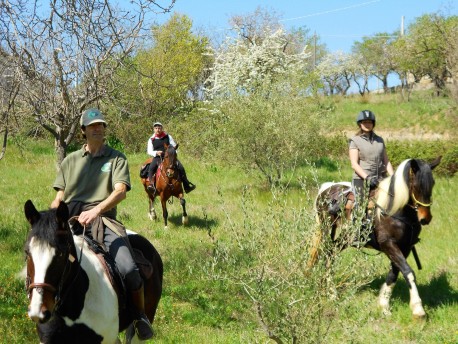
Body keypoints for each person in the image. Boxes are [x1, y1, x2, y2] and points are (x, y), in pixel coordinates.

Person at [50, 108, 153, 340]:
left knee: (128, 268)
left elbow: (120, 191)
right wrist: (49, 218)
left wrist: (95, 211)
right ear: (83, 131)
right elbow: (59, 197)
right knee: (45, 263)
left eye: (101, 125)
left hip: (104, 220)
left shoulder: (116, 157)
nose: (98, 128)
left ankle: (138, 317)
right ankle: (47, 311)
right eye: (93, 125)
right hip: (69, 220)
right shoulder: (70, 160)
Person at [349, 109, 394, 205]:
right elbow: (354, 164)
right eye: (364, 122)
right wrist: (368, 178)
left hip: (381, 178)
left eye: (370, 122)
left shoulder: (380, 140)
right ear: (360, 124)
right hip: (361, 180)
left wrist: (393, 176)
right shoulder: (355, 140)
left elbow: (386, 161)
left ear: (373, 124)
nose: (367, 124)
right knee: (361, 206)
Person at [146, 122, 196, 194]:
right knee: (151, 167)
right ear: (154, 129)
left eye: (159, 128)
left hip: (170, 157)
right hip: (158, 157)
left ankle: (186, 185)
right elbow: (149, 151)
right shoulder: (151, 139)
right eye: (156, 128)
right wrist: (156, 152)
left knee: (181, 167)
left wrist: (173, 154)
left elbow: (174, 146)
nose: (158, 130)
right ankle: (151, 185)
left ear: (161, 128)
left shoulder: (168, 136)